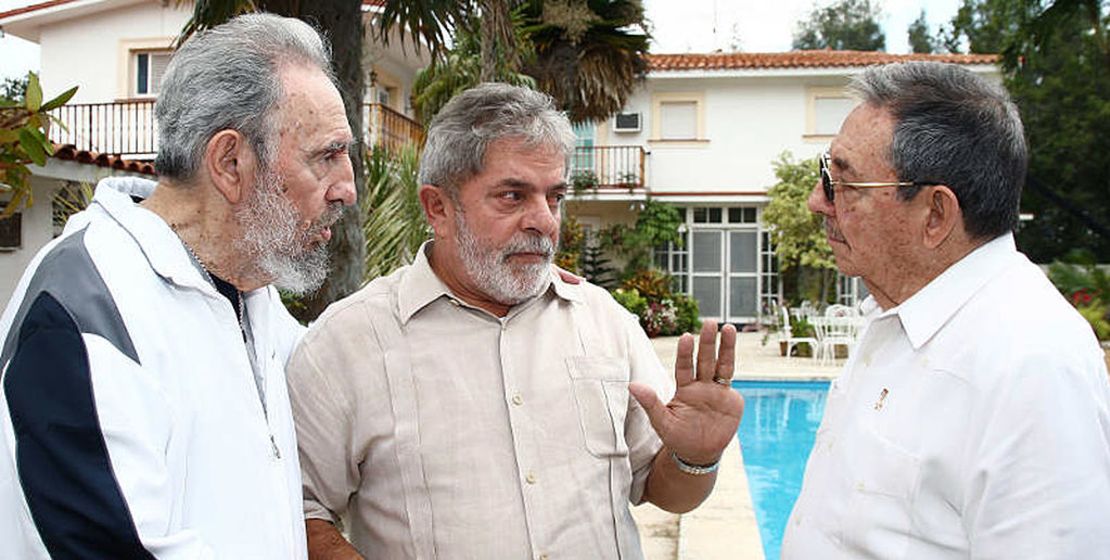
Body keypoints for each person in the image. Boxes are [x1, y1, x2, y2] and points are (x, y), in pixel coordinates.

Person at [286, 82, 745, 559]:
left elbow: (663, 490)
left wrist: (695, 457)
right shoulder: (348, 343)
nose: (544, 221)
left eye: (555, 197)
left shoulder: (604, 322)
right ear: (438, 208)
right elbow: (298, 509)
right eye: (513, 196)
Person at [0, 13, 356, 559]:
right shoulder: (82, 308)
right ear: (230, 162)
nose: (347, 188)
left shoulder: (249, 295)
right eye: (325, 156)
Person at [782, 61, 1110, 558]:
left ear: (935, 214)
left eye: (843, 184)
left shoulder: (1031, 364)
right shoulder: (898, 315)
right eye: (825, 174)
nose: (816, 201)